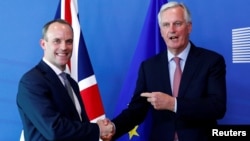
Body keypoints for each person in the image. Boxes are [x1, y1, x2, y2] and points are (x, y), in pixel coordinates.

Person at [110, 1, 227, 141]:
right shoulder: (149, 67)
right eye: (166, 25)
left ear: (189, 27)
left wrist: (173, 104)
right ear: (161, 31)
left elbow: (217, 107)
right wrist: (113, 128)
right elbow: (137, 110)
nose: (172, 30)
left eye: (177, 23)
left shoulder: (211, 61)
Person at [16, 19, 114, 141]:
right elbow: (54, 130)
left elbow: (78, 125)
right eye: (57, 41)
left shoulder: (71, 82)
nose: (64, 47)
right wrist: (98, 129)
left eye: (69, 41)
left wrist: (100, 132)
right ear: (43, 44)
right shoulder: (31, 82)